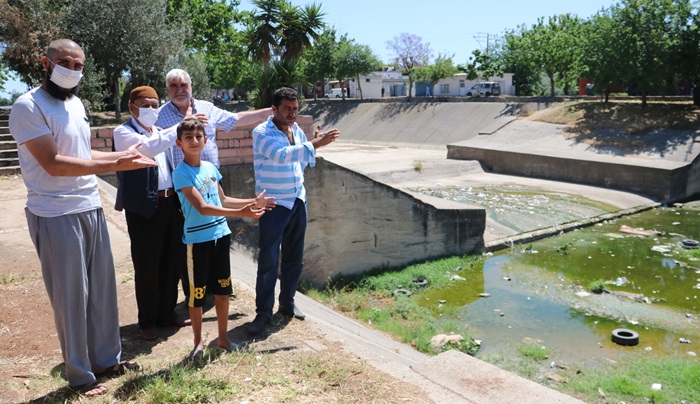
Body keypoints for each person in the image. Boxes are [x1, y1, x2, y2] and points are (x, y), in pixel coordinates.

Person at [8, 39, 151, 396]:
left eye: (78, 65)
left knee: (103, 290)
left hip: (88, 205)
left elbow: (81, 151)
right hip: (55, 212)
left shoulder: (75, 104)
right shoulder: (27, 106)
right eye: (64, 62)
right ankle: (80, 375)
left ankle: (107, 359)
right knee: (72, 297)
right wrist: (117, 163)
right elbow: (54, 163)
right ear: (46, 62)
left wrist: (120, 156)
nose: (72, 70)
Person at [172, 118, 275, 360]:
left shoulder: (210, 168)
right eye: (189, 137)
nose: (194, 141)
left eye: (199, 137)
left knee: (222, 291)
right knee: (197, 295)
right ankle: (197, 344)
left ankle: (223, 340)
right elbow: (203, 208)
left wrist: (252, 203)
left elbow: (223, 200)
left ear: (205, 140)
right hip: (197, 242)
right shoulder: (181, 173)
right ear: (179, 143)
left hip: (221, 236)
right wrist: (243, 213)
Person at [246, 87, 340, 335]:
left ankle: (287, 303)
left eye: (295, 109)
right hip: (274, 204)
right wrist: (315, 143)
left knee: (294, 258)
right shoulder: (261, 132)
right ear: (274, 109)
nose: (292, 113)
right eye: (286, 108)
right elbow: (280, 156)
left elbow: (301, 160)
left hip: (298, 200)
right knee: (268, 260)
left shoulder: (296, 129)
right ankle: (263, 314)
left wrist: (311, 145)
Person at [113, 86, 191, 342]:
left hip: (170, 203)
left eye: (154, 104)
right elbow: (145, 149)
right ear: (131, 106)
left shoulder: (160, 132)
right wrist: (178, 129)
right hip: (144, 207)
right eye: (145, 104)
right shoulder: (123, 132)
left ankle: (167, 312)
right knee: (147, 264)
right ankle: (147, 320)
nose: (150, 110)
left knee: (173, 260)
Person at [156, 68, 272, 169]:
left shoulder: (207, 108)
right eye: (174, 86)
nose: (179, 90)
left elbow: (235, 119)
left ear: (190, 87)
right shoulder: (158, 116)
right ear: (167, 90)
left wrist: (266, 113)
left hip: (211, 178)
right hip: (180, 183)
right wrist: (185, 122)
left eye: (183, 85)